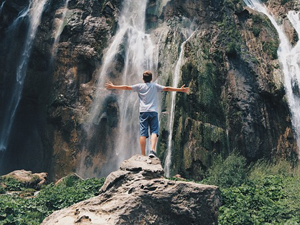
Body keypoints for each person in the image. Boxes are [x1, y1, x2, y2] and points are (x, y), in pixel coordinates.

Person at [105, 70, 189, 158]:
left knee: (143, 133)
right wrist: (180, 89)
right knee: (154, 131)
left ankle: (143, 154)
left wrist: (113, 86)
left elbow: (126, 87)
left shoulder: (139, 86)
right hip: (153, 112)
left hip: (143, 112)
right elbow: (167, 88)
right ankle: (152, 150)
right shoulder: (155, 86)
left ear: (143, 79)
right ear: (151, 79)